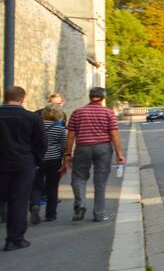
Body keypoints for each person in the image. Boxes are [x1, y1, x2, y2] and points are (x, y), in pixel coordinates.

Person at [64, 86, 124, 223]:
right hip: (103, 148)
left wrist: (67, 154)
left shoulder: (77, 112)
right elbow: (114, 134)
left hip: (82, 148)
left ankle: (80, 204)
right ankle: (99, 214)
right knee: (100, 181)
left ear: (90, 97)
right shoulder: (108, 113)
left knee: (79, 177)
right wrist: (119, 153)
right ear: (103, 98)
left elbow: (71, 135)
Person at [0, 85, 46, 251]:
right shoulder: (32, 118)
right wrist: (36, 161)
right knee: (18, 202)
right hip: (23, 163)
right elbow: (41, 142)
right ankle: (14, 239)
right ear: (22, 98)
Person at [31, 105, 68, 223]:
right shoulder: (61, 129)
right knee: (52, 187)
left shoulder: (35, 127)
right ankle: (50, 214)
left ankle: (35, 205)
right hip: (54, 160)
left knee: (36, 185)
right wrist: (64, 160)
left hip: (37, 159)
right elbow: (63, 146)